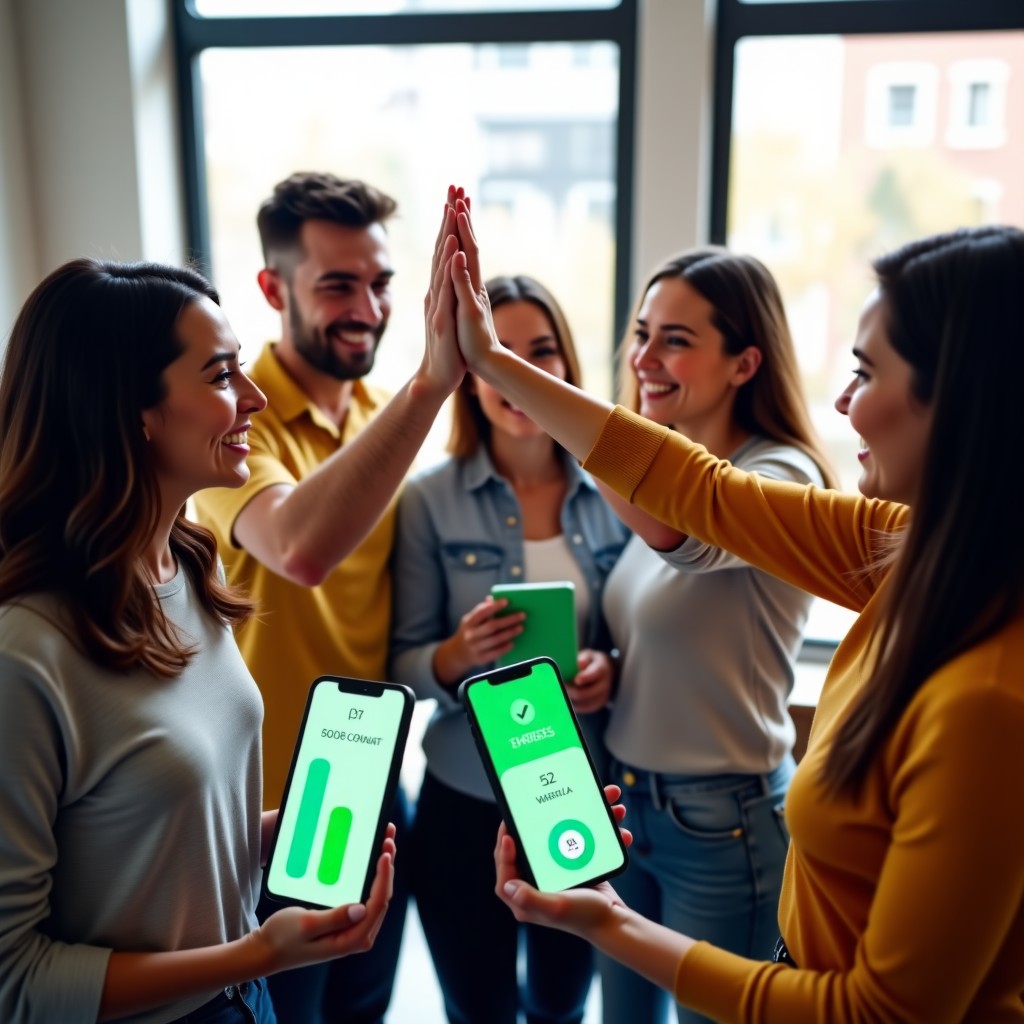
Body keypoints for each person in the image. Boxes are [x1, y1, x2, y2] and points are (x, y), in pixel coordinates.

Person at [443, 198, 1024, 1020]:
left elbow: (880, 1014)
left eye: (867, 373)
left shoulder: (990, 697)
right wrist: (492, 362)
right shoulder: (909, 551)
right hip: (650, 805)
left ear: (958, 400)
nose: (845, 405)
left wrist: (612, 925)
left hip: (724, 825)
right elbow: (696, 487)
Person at [0, 258, 396, 1024]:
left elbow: (154, 838)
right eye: (220, 377)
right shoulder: (26, 653)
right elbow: (15, 982)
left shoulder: (186, 563)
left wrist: (295, 829)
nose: (251, 399)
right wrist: (261, 953)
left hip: (246, 1001)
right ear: (131, 409)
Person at [193, 174, 464, 1022]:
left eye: (380, 283)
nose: (367, 307)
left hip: (376, 771)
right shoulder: (234, 428)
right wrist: (432, 383)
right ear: (274, 289)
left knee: (362, 1010)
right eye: (336, 284)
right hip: (271, 802)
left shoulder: (384, 418)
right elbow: (298, 547)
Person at [583, 249, 836, 1024]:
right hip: (629, 806)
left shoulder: (782, 477)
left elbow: (693, 539)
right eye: (640, 333)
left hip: (723, 824)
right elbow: (678, 621)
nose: (644, 360)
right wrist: (614, 669)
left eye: (676, 340)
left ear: (744, 362)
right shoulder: (660, 480)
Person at [389, 274, 629, 1024]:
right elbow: (400, 667)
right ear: (468, 368)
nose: (518, 372)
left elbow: (636, 640)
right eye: (499, 353)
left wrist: (608, 672)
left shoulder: (619, 491)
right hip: (464, 800)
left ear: (566, 365)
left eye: (541, 351)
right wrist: (456, 655)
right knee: (477, 1007)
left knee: (561, 1005)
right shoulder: (430, 499)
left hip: (577, 789)